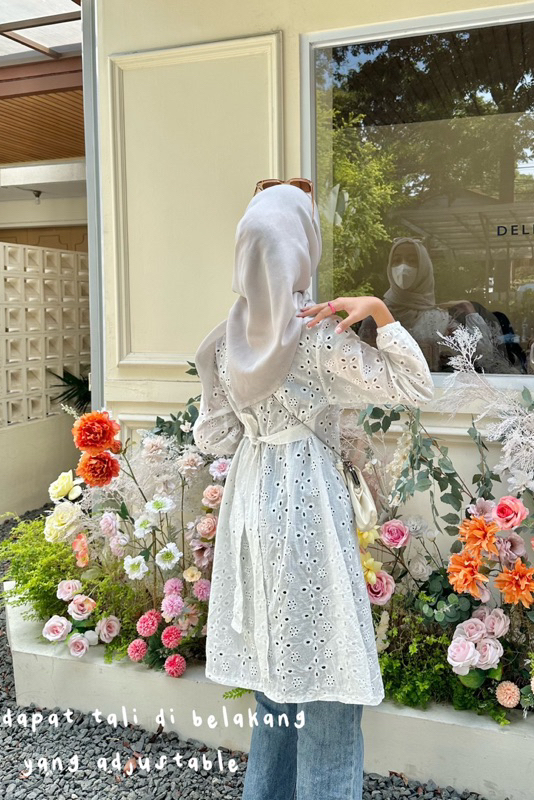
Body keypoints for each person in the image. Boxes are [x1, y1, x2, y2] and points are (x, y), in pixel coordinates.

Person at [192, 182, 435, 800]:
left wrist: (266, 426)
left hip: (250, 503)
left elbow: (216, 434)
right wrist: (379, 312)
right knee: (328, 683)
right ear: (302, 249)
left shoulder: (226, 340)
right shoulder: (314, 336)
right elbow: (414, 385)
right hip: (306, 509)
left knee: (277, 679)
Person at [358, 237, 450, 369]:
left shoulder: (440, 319)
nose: (403, 267)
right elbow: (365, 366)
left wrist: (470, 312)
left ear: (424, 268)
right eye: (397, 261)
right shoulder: (376, 315)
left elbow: (469, 360)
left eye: (412, 261)